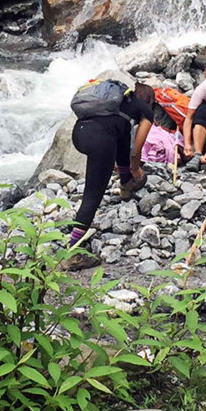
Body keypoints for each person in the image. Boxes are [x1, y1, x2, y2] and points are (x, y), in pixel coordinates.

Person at [65, 82, 154, 270]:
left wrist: (126, 181)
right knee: (92, 197)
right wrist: (137, 171)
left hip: (80, 134)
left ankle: (125, 187)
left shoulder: (118, 110)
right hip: (100, 140)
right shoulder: (145, 111)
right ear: (150, 102)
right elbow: (135, 153)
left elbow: (123, 150)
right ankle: (73, 252)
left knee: (117, 141)